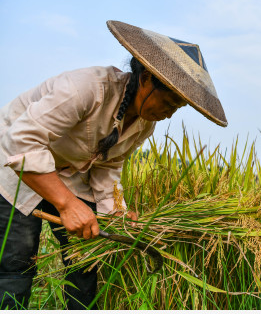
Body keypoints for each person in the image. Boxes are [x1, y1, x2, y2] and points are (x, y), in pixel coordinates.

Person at [0, 20, 227, 310]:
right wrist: (67, 204)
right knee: (15, 264)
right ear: (145, 79)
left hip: (69, 173)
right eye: (167, 102)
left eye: (175, 109)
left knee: (85, 263)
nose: (167, 115)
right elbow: (22, 142)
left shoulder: (145, 123)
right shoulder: (85, 88)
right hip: (14, 169)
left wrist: (116, 212)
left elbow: (109, 166)